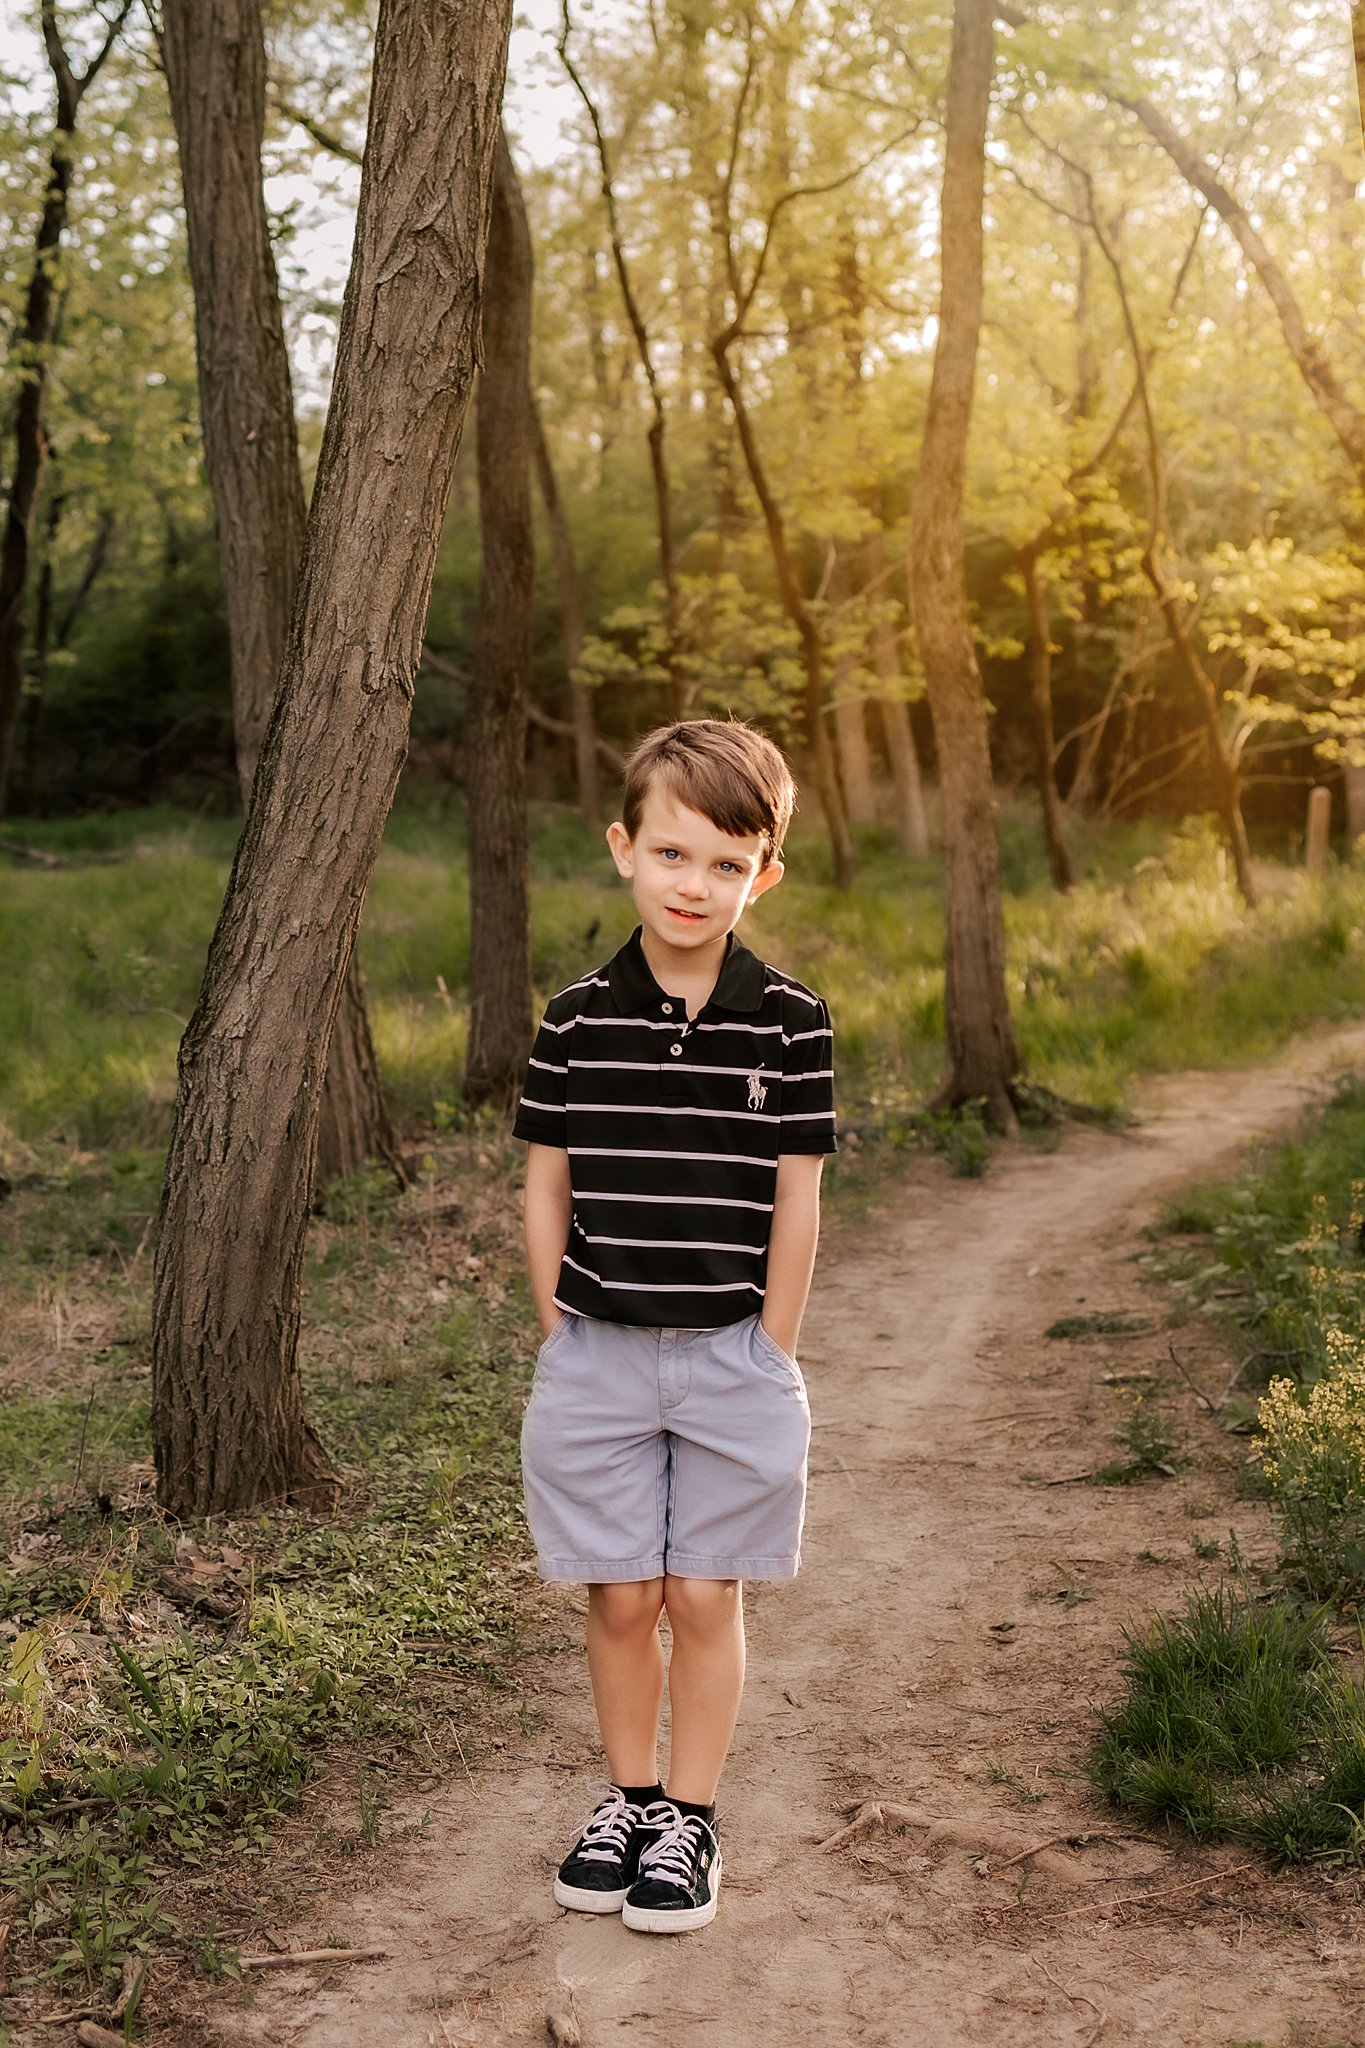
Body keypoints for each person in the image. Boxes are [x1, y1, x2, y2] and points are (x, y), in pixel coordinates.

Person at [513, 717, 836, 1935]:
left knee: (704, 1595)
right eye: (671, 853)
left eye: (724, 861)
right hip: (598, 1350)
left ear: (764, 873)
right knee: (618, 1592)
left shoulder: (791, 1018)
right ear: (623, 849)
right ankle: (628, 1796)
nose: (694, 884)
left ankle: (690, 1820)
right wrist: (559, 1323)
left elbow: (796, 1192)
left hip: (731, 1355)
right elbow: (548, 1175)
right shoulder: (577, 1014)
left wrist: (773, 1345)